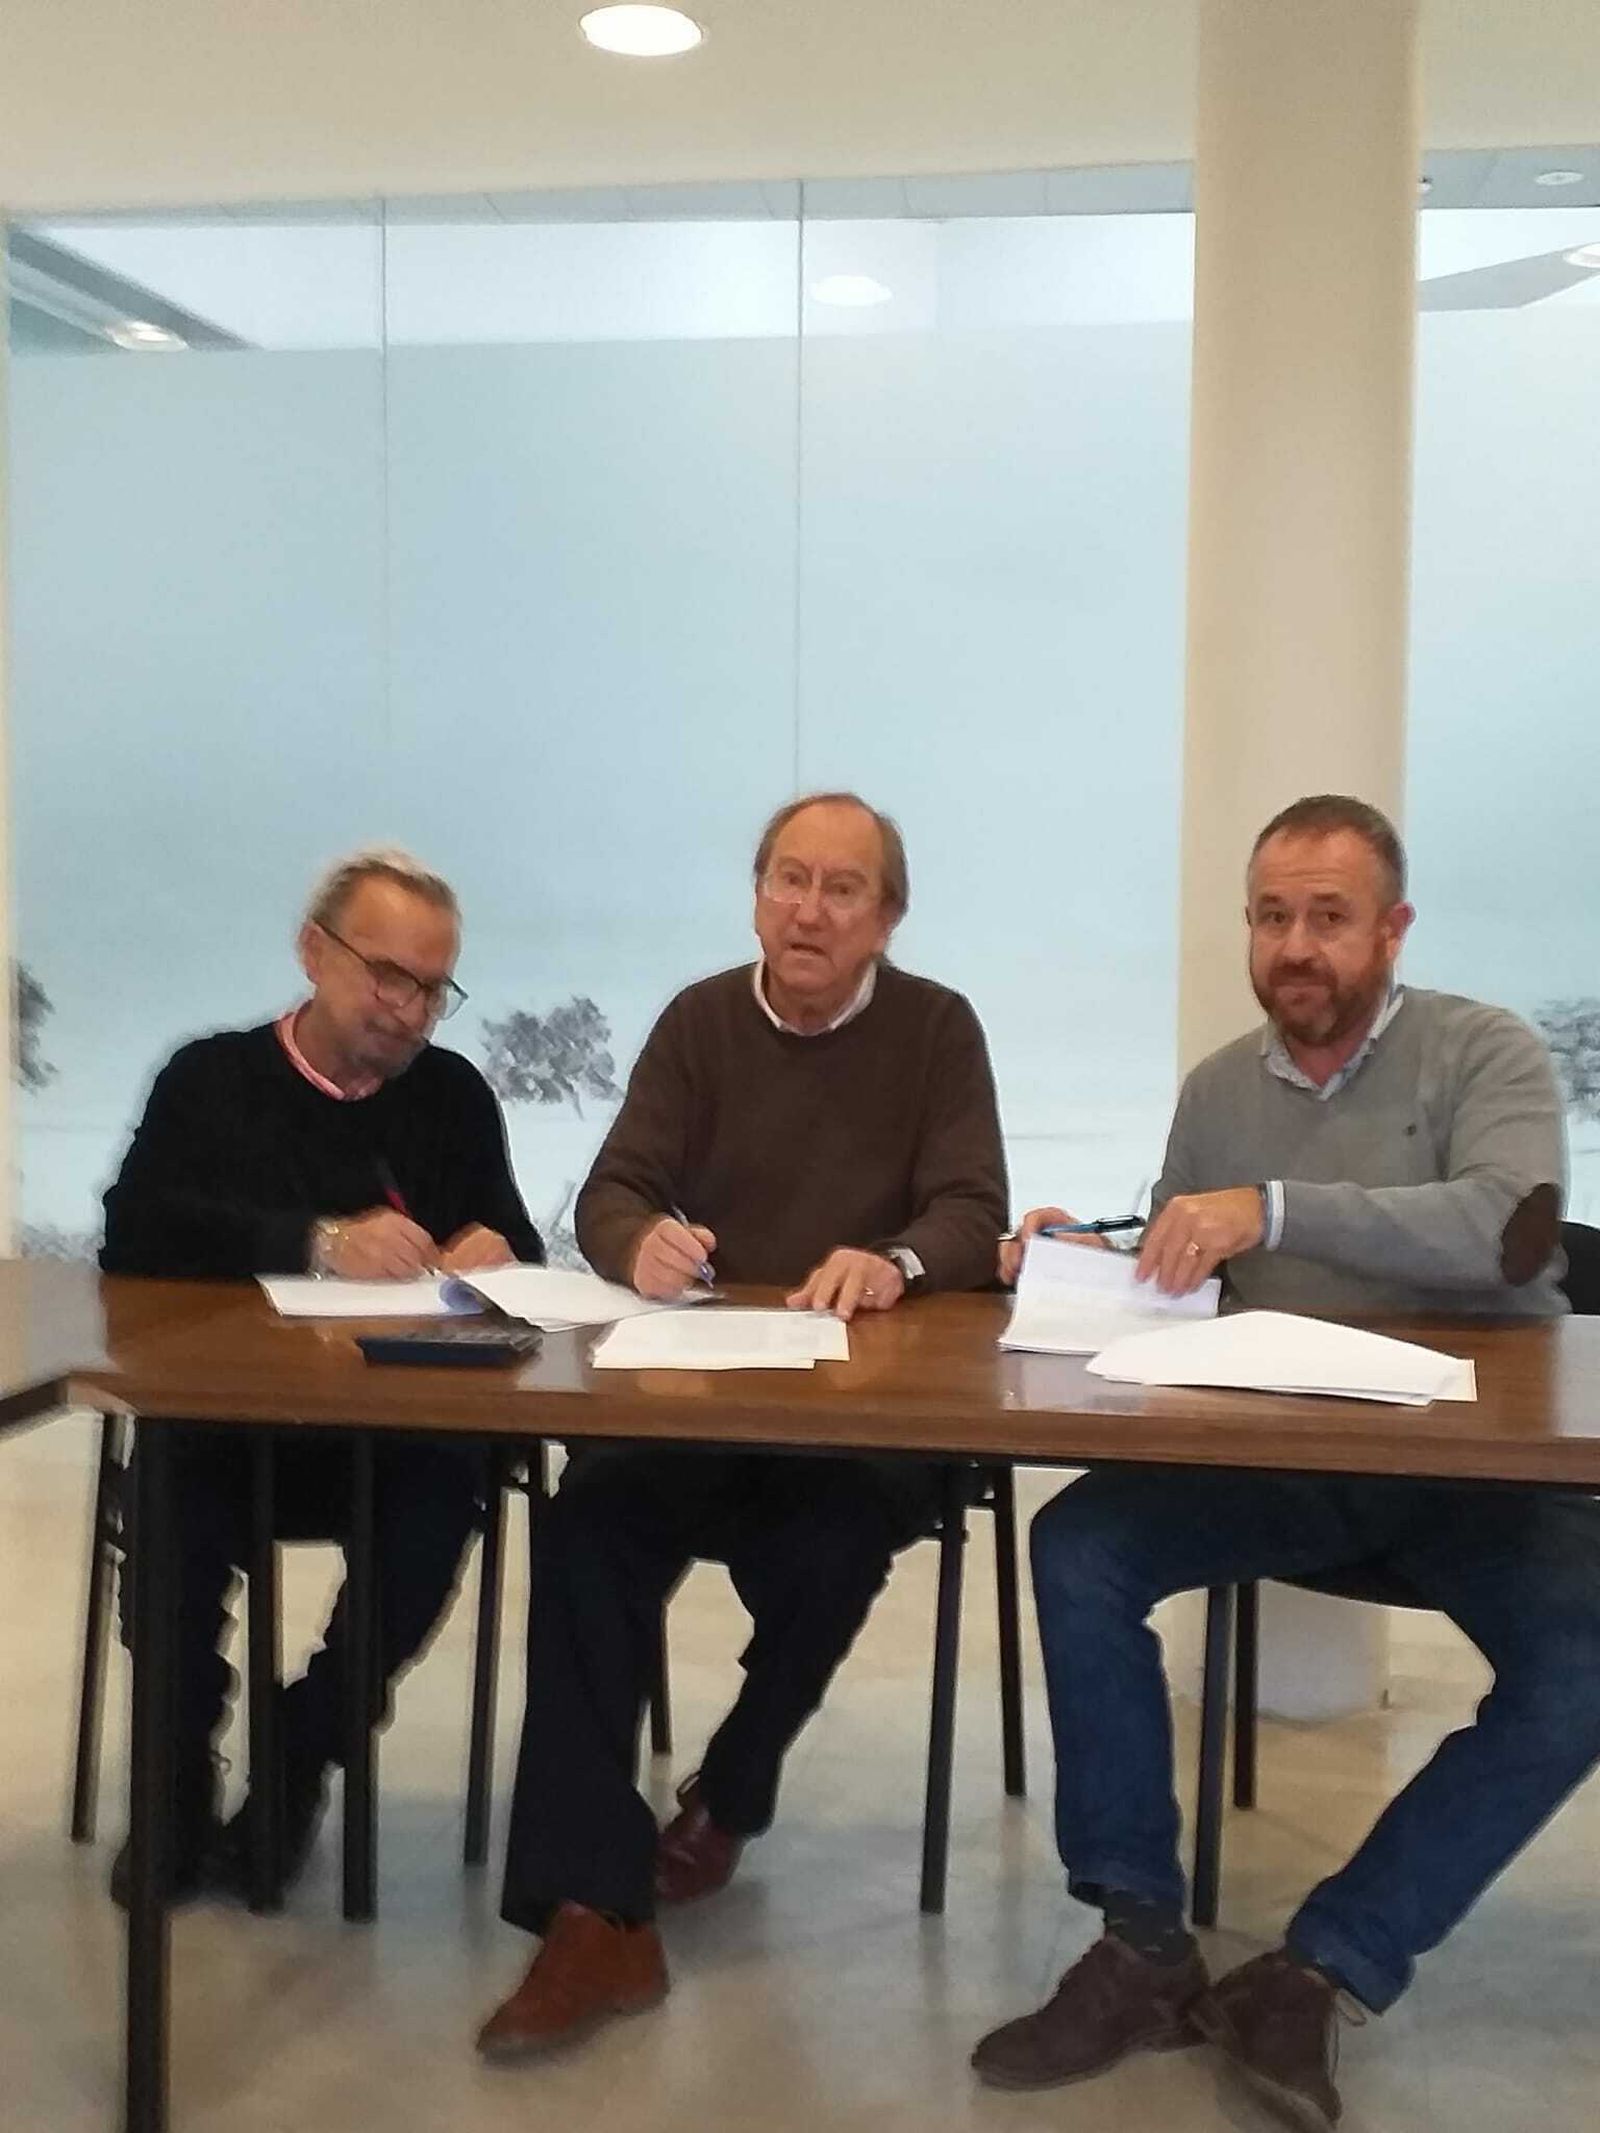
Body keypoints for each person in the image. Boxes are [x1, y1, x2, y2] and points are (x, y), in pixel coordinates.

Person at [975, 794, 1600, 2132]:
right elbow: (1186, 1264)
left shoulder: (1482, 1050)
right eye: (1271, 916)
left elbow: (1510, 1229)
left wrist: (1269, 1208)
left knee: (1587, 1662)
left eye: (1328, 916)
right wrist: (1081, 1252)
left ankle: (1323, 1966)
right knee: (1077, 1542)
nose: (1296, 945)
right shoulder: (1217, 1089)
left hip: (1475, 1475)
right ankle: (1142, 1942)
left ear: (1393, 928)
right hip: (1284, 1461)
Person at [477, 790, 1008, 2060]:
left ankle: (735, 1787)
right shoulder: (701, 1019)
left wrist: (895, 1261)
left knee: (832, 1546)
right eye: (787, 879)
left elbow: (971, 1208)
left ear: (886, 917)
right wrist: (636, 1243)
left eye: (841, 888)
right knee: (587, 1527)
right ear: (757, 894)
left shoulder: (935, 1029)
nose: (807, 911)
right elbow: (614, 1187)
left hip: (854, 1418)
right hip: (697, 1394)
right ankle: (594, 1912)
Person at [101, 847, 542, 1902]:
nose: (407, 1010)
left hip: (392, 1429)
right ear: (313, 951)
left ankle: (302, 1750)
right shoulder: (210, 1079)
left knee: (445, 1498)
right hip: (229, 1419)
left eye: (431, 989)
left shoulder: (450, 1095)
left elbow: (513, 1235)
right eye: (386, 975)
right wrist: (314, 1241)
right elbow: (136, 1229)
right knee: (170, 1505)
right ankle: (176, 1775)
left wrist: (496, 1249)